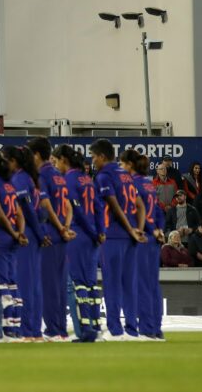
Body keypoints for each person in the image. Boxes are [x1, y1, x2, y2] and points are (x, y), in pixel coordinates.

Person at [90, 138, 145, 342]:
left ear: (103, 157)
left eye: (94, 157)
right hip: (130, 239)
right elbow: (140, 205)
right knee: (128, 284)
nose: (92, 160)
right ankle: (132, 330)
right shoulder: (127, 175)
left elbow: (113, 205)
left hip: (113, 235)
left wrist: (131, 230)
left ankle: (115, 330)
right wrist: (138, 229)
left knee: (112, 284)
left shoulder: (104, 176)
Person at [54, 145, 102, 343]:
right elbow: (98, 207)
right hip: (92, 237)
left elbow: (76, 209)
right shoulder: (87, 179)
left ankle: (84, 330)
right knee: (91, 284)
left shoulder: (69, 179)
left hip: (78, 234)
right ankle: (95, 326)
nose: (55, 165)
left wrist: (90, 231)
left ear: (64, 160)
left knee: (76, 283)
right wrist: (100, 232)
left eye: (56, 161)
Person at [29, 137, 75, 342]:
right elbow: (68, 206)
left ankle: (53, 330)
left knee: (48, 285)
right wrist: (65, 228)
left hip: (49, 233)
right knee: (59, 283)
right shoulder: (59, 175)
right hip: (61, 235)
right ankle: (62, 329)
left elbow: (46, 205)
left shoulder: (41, 175)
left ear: (37, 155)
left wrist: (57, 227)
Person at [122, 149, 164, 341]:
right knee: (153, 285)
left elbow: (142, 212)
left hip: (143, 238)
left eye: (122, 164)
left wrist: (150, 228)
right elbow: (159, 211)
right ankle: (156, 328)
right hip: (155, 239)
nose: (121, 168)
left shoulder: (132, 184)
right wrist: (160, 229)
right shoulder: (149, 185)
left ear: (129, 165)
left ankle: (147, 329)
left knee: (142, 285)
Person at [0, 149, 24, 340]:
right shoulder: (9, 184)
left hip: (1, 236)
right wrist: (19, 233)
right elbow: (19, 213)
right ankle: (17, 326)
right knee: (12, 282)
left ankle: (8, 329)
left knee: (2, 284)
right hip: (13, 238)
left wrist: (12, 232)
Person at [6, 145, 44, 342]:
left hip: (26, 233)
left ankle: (28, 330)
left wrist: (37, 233)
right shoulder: (30, 177)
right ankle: (34, 329)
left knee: (26, 285)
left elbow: (26, 208)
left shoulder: (19, 178)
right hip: (33, 232)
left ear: (14, 161)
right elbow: (40, 210)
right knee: (34, 284)